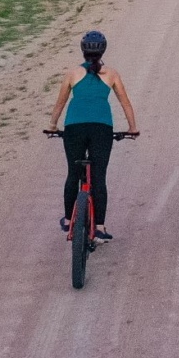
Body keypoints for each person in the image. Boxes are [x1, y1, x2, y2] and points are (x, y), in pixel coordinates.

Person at [48, 29, 139, 241]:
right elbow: (124, 102)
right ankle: (99, 226)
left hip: (74, 127)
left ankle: (70, 221)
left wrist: (52, 125)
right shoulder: (112, 74)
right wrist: (132, 127)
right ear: (103, 50)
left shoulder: (72, 73)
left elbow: (60, 102)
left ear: (82, 50)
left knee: (73, 172)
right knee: (99, 178)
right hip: (102, 128)